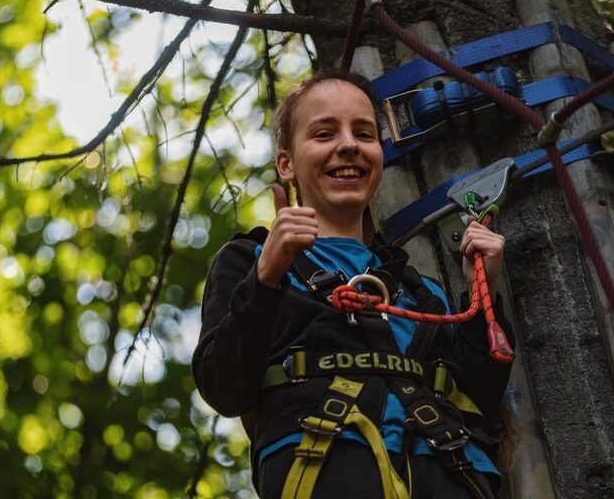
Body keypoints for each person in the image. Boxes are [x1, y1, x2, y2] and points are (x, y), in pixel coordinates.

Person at [192, 70, 514, 498]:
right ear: (286, 164)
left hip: (451, 468)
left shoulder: (422, 292)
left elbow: (477, 398)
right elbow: (224, 388)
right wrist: (266, 278)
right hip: (326, 462)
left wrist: (484, 286)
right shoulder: (250, 261)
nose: (348, 145)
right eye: (324, 133)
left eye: (363, 134)